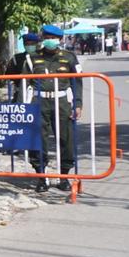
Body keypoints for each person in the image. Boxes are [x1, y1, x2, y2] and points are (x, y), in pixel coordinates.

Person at [26, 24, 83, 193]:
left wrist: (78, 104)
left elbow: (77, 82)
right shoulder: (33, 58)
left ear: (59, 39)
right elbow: (23, 83)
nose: (50, 41)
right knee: (38, 139)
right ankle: (41, 177)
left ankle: (64, 176)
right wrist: (23, 107)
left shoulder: (69, 57)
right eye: (47, 38)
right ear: (43, 39)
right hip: (38, 102)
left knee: (66, 139)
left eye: (53, 38)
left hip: (62, 102)